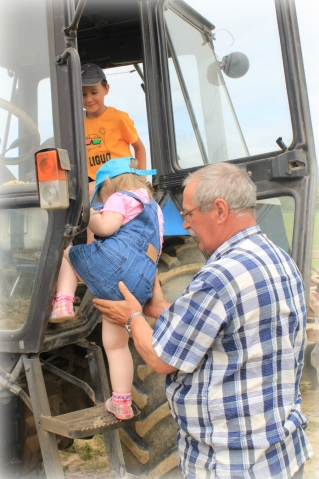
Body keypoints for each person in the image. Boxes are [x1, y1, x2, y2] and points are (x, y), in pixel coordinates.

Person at [93, 162, 313, 478]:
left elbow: (159, 358)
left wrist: (133, 318)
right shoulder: (279, 259)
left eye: (189, 214)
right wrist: (158, 310)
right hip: (282, 459)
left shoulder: (218, 277)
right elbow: (223, 330)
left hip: (232, 466)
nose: (184, 225)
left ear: (220, 210)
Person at [50, 157, 163, 421]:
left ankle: (63, 303)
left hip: (118, 263)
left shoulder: (121, 197)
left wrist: (88, 211)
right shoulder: (153, 206)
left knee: (68, 252)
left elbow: (106, 226)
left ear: (109, 184)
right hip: (142, 281)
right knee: (115, 345)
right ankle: (121, 401)